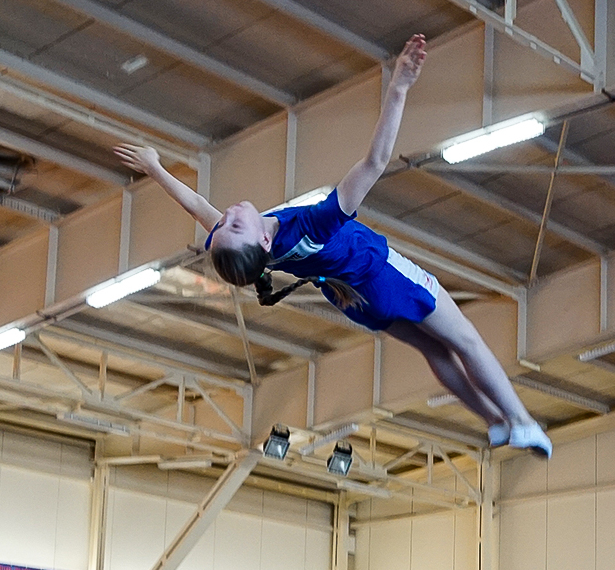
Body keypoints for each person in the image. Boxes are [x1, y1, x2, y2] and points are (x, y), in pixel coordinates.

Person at [114, 35, 553, 459]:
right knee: (469, 343)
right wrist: (398, 87)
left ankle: (493, 422)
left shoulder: (252, 252)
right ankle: (520, 419)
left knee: (434, 349)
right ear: (263, 239)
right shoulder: (312, 224)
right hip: (383, 277)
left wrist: (155, 168)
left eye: (225, 223)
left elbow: (196, 206)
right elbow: (375, 162)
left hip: (353, 299)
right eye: (234, 224)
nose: (227, 215)